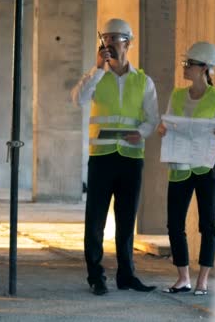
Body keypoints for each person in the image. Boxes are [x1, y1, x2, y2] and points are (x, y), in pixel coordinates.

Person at [71, 18, 160, 296]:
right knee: (95, 219)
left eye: (116, 38)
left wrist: (142, 133)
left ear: (128, 43)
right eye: (106, 38)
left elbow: (152, 117)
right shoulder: (97, 76)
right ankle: (95, 275)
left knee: (126, 220)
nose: (109, 42)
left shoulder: (143, 81)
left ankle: (127, 275)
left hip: (131, 159)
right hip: (102, 157)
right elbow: (78, 99)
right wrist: (97, 68)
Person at [158, 42, 215, 296]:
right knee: (175, 224)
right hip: (180, 167)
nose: (185, 68)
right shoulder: (177, 95)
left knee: (207, 224)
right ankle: (183, 277)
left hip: (207, 168)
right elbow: (168, 124)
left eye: (189, 64)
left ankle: (203, 280)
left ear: (205, 68)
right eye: (185, 63)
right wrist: (163, 130)